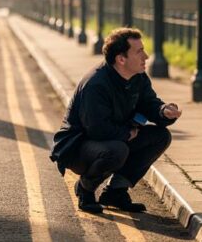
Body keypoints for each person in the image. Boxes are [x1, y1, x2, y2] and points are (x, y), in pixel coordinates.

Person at [51, 28, 182, 214]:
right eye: (139, 52)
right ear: (121, 59)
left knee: (160, 136)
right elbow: (96, 129)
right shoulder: (96, 84)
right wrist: (127, 134)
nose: (146, 56)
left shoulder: (138, 77)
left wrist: (163, 111)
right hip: (78, 147)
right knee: (117, 150)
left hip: (113, 138)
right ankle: (85, 190)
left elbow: (149, 103)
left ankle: (115, 192)